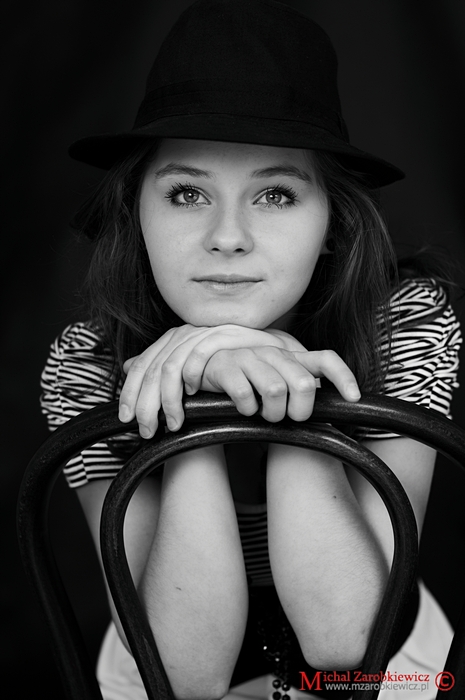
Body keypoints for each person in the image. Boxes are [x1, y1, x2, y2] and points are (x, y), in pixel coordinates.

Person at [40, 1, 462, 698]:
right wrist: (195, 391)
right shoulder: (87, 362)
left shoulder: (401, 320)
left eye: (275, 194)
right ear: (136, 213)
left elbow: (348, 646)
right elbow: (183, 676)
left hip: (385, 664)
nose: (228, 237)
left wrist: (281, 370)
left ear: (331, 224)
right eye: (186, 193)